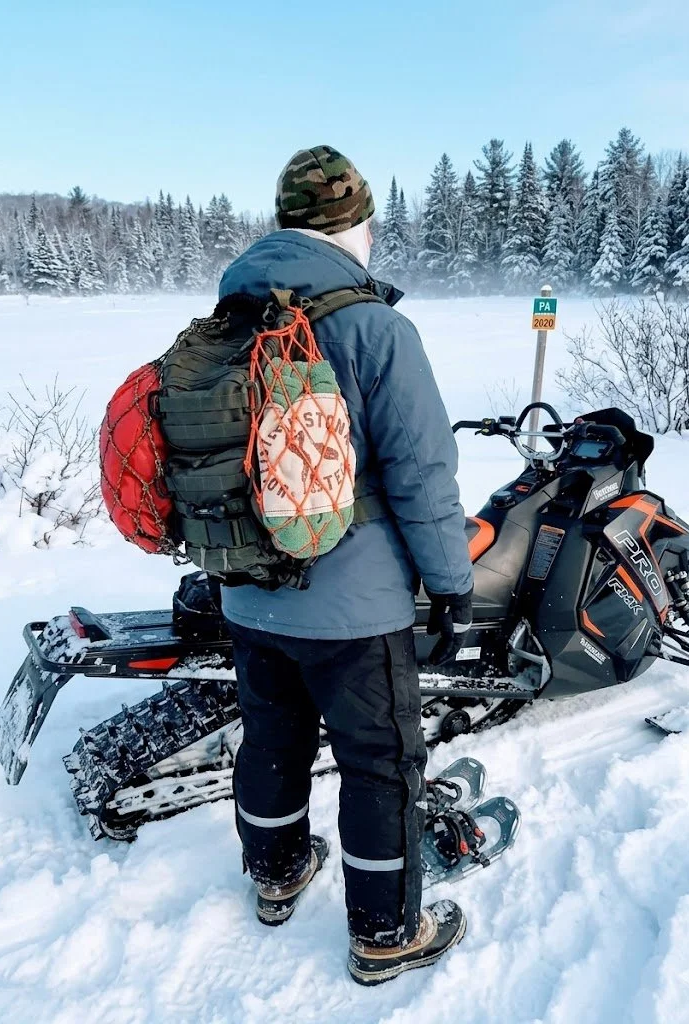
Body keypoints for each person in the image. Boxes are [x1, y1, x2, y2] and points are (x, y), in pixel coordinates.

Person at [218, 145, 474, 986]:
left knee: (272, 738)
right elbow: (423, 472)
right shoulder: (375, 328)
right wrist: (450, 583)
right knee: (379, 764)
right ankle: (384, 934)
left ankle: (277, 872)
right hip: (354, 608)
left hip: (250, 592)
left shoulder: (229, 317)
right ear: (355, 227)